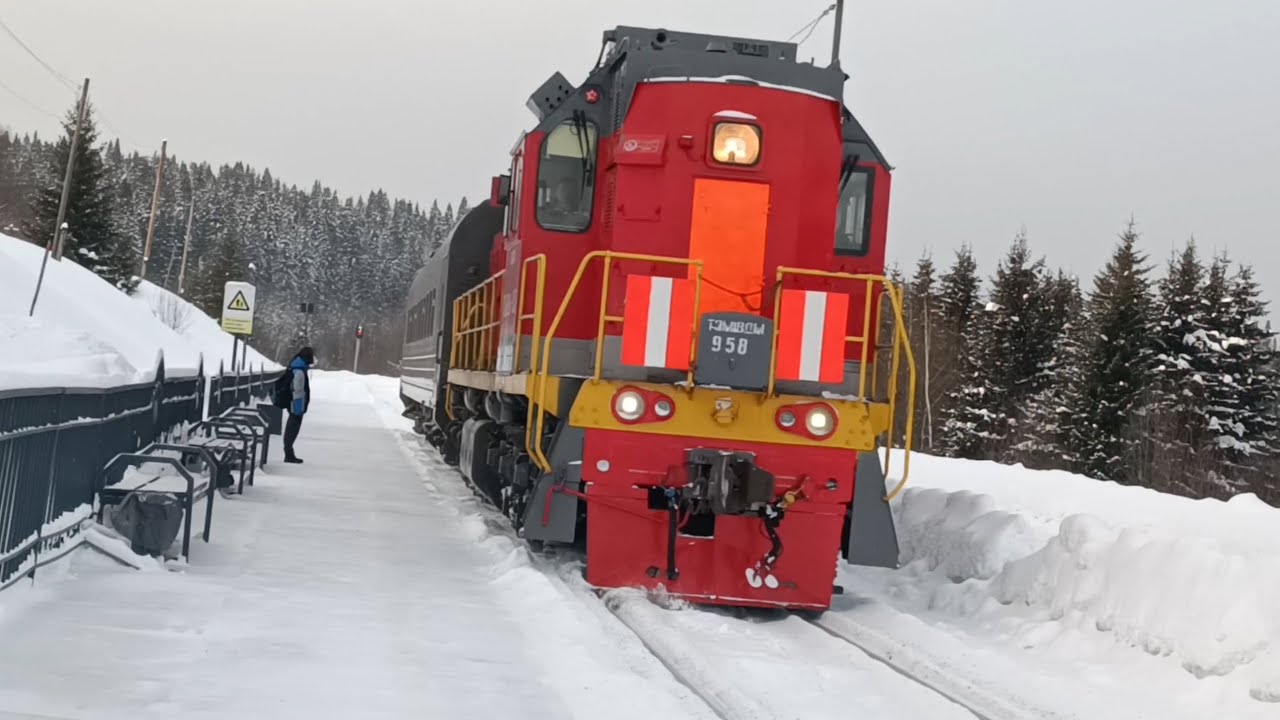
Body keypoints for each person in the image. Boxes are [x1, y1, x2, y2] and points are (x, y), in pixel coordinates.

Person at [283, 346, 314, 463]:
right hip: (296, 405)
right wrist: (298, 408)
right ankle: (288, 454)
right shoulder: (299, 371)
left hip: (294, 404)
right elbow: (298, 391)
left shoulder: (295, 366)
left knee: (291, 428)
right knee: (292, 429)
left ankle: (289, 453)